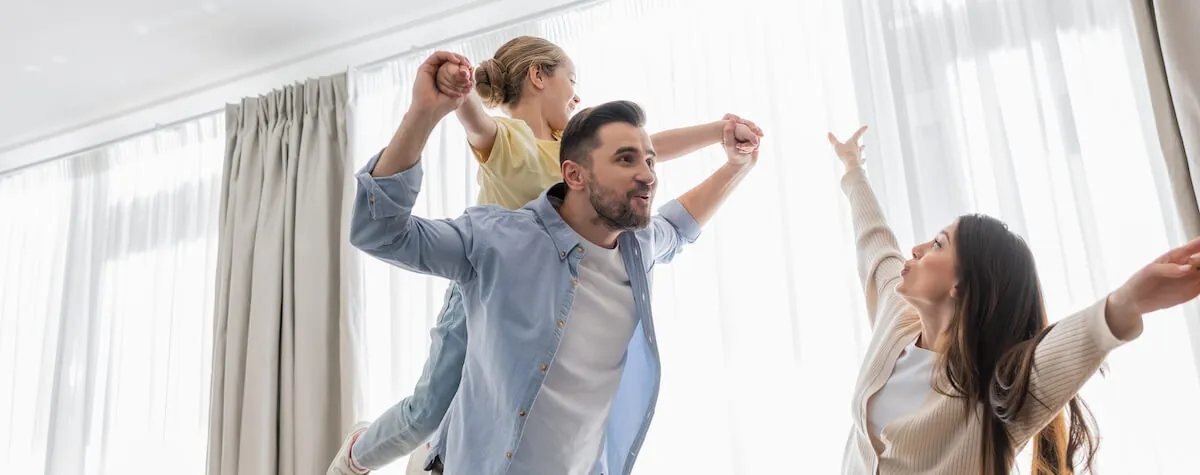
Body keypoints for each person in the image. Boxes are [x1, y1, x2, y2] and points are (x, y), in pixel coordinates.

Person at [331, 35, 763, 475]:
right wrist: (439, 103)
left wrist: (727, 152)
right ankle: (361, 455)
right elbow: (388, 225)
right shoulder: (510, 147)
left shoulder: (627, 229)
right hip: (486, 279)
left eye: (648, 163)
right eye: (570, 81)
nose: (647, 174)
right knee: (427, 409)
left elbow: (675, 219)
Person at [829, 126, 1200, 474]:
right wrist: (852, 169)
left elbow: (1074, 345)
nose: (918, 248)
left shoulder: (999, 391)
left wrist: (1131, 299)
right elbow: (876, 243)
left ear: (964, 285)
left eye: (938, 244)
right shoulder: (897, 322)